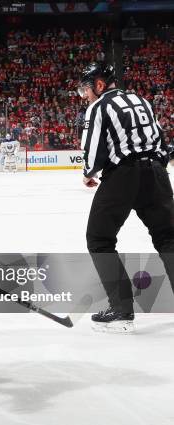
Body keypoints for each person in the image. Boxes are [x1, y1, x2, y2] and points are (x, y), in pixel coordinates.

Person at [78, 62, 174, 333]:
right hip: (157, 173)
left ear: (99, 84)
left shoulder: (98, 107)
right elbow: (160, 140)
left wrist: (87, 174)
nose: (85, 95)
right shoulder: (140, 99)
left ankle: (121, 309)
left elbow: (93, 152)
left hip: (123, 176)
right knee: (168, 237)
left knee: (99, 239)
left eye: (87, 88)